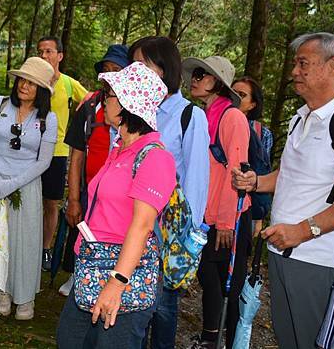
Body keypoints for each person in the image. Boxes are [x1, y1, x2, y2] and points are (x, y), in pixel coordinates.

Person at [232, 32, 334, 349]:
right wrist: (255, 183)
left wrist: (303, 231)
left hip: (318, 259)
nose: (294, 72)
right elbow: (288, 174)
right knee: (288, 339)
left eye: (303, 63)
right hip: (281, 251)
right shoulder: (298, 118)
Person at [56, 62, 177, 348]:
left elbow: (142, 225)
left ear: (126, 104)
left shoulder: (155, 158)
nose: (102, 99)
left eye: (108, 94)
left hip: (121, 276)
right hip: (91, 268)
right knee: (68, 339)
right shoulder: (119, 148)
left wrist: (117, 282)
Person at [129, 36, 210, 349]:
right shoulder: (134, 110)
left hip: (167, 232)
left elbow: (197, 182)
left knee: (162, 308)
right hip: (131, 222)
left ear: (164, 69)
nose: (135, 71)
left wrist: (187, 243)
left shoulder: (190, 116)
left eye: (142, 64)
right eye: (132, 64)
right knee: (132, 305)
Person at [0, 57, 57, 321]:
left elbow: (44, 161)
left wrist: (12, 184)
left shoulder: (48, 119)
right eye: (23, 79)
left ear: (41, 90)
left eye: (33, 83)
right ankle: (2, 292)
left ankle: (25, 296)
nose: (25, 86)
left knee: (26, 241)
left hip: (27, 185)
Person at [182, 56, 251, 349]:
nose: (194, 79)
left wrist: (225, 222)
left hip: (228, 218)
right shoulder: (204, 115)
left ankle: (221, 340)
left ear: (217, 83)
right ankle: (213, 337)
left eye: (202, 74)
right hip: (208, 216)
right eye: (195, 74)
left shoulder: (231, 117)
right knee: (210, 277)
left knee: (224, 283)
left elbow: (236, 170)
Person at [59, 44, 130, 297]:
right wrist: (74, 198)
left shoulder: (136, 109)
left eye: (117, 69)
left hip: (121, 196)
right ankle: (77, 274)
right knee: (81, 235)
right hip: (90, 191)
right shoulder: (89, 106)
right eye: (106, 70)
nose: (110, 75)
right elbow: (77, 154)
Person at [36, 36, 88, 271]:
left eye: (48, 51)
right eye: (40, 52)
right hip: (30, 150)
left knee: (51, 203)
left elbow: (90, 100)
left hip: (57, 152)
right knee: (28, 201)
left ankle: (45, 249)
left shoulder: (68, 84)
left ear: (60, 56)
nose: (44, 56)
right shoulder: (32, 80)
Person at [232, 76, 273, 238]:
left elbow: (264, 173)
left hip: (245, 205)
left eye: (241, 95)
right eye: (232, 93)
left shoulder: (262, 133)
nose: (235, 97)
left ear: (253, 104)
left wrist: (259, 217)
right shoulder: (212, 121)